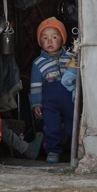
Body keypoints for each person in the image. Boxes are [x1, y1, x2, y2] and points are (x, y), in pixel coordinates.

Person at [30, 17, 75, 163]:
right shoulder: (38, 63)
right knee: (51, 126)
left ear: (62, 40)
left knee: (73, 125)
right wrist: (36, 104)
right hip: (49, 103)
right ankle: (53, 151)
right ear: (40, 41)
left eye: (54, 37)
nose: (49, 41)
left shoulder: (71, 58)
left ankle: (75, 150)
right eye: (45, 38)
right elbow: (35, 85)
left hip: (70, 101)